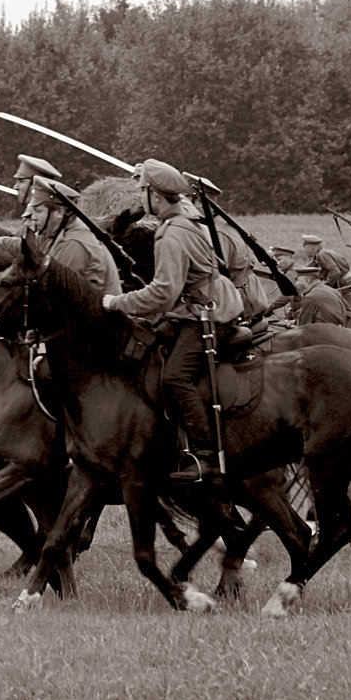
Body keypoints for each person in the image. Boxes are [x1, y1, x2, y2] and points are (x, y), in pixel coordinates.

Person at [101, 159, 244, 480]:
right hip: (196, 307)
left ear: (156, 195)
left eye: (143, 192)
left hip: (207, 314)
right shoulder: (179, 221)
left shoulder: (172, 235)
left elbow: (163, 293)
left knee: (174, 378)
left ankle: (206, 456)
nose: (140, 199)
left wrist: (117, 302)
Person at [0, 176, 121, 296]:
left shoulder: (73, 243)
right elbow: (13, 247)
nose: (32, 218)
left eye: (38, 211)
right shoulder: (54, 232)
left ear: (60, 212)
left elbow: (52, 294)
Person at [0, 154, 62, 235]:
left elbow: (19, 248)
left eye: (21, 181)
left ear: (35, 184)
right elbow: (18, 242)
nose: (15, 186)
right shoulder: (35, 212)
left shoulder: (43, 217)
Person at [299, 234, 351, 327]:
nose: (304, 250)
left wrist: (326, 288)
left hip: (345, 288)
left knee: (350, 316)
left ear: (313, 247)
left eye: (305, 247)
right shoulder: (322, 254)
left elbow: (335, 272)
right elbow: (309, 268)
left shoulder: (322, 255)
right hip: (344, 287)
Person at [263, 245, 299, 319]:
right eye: (276, 261)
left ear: (289, 259)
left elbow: (287, 295)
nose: (277, 264)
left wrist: (270, 307)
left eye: (279, 260)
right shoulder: (290, 272)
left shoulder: (291, 273)